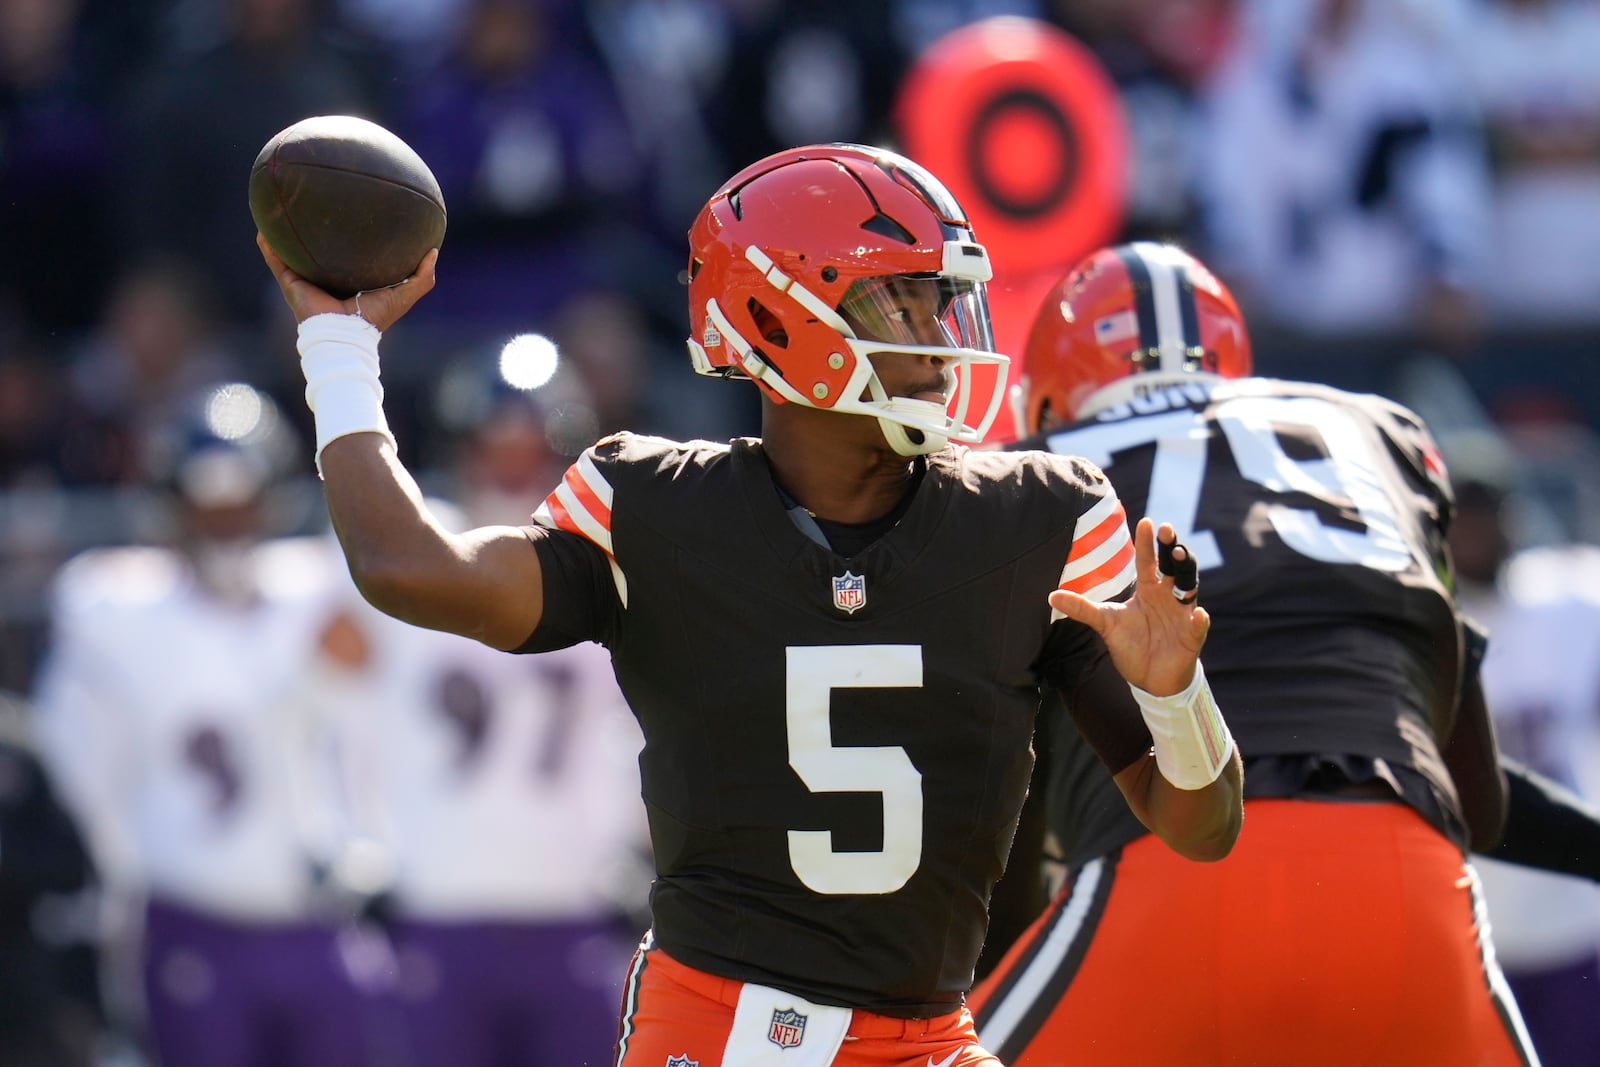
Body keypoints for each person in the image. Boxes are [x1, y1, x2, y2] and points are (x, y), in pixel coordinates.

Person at [256, 142, 1243, 1065]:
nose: (942, 337)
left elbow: (1202, 823)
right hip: (730, 1030)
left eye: (941, 301)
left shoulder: (1038, 516)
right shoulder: (653, 504)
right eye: (900, 301)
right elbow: (406, 565)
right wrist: (339, 350)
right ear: (779, 320)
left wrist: (1176, 695)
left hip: (931, 1035)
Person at [970, 240, 1538, 1066]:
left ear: (1052, 399)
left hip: (1160, 893)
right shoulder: (1375, 437)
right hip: (1407, 891)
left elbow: (1003, 818)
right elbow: (1477, 803)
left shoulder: (1033, 483)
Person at [30, 383, 387, 1067]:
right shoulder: (119, 610)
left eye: (241, 507)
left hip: (314, 918)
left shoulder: (315, 592)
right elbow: (84, 774)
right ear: (172, 511)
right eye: (208, 511)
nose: (226, 529)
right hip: (191, 916)